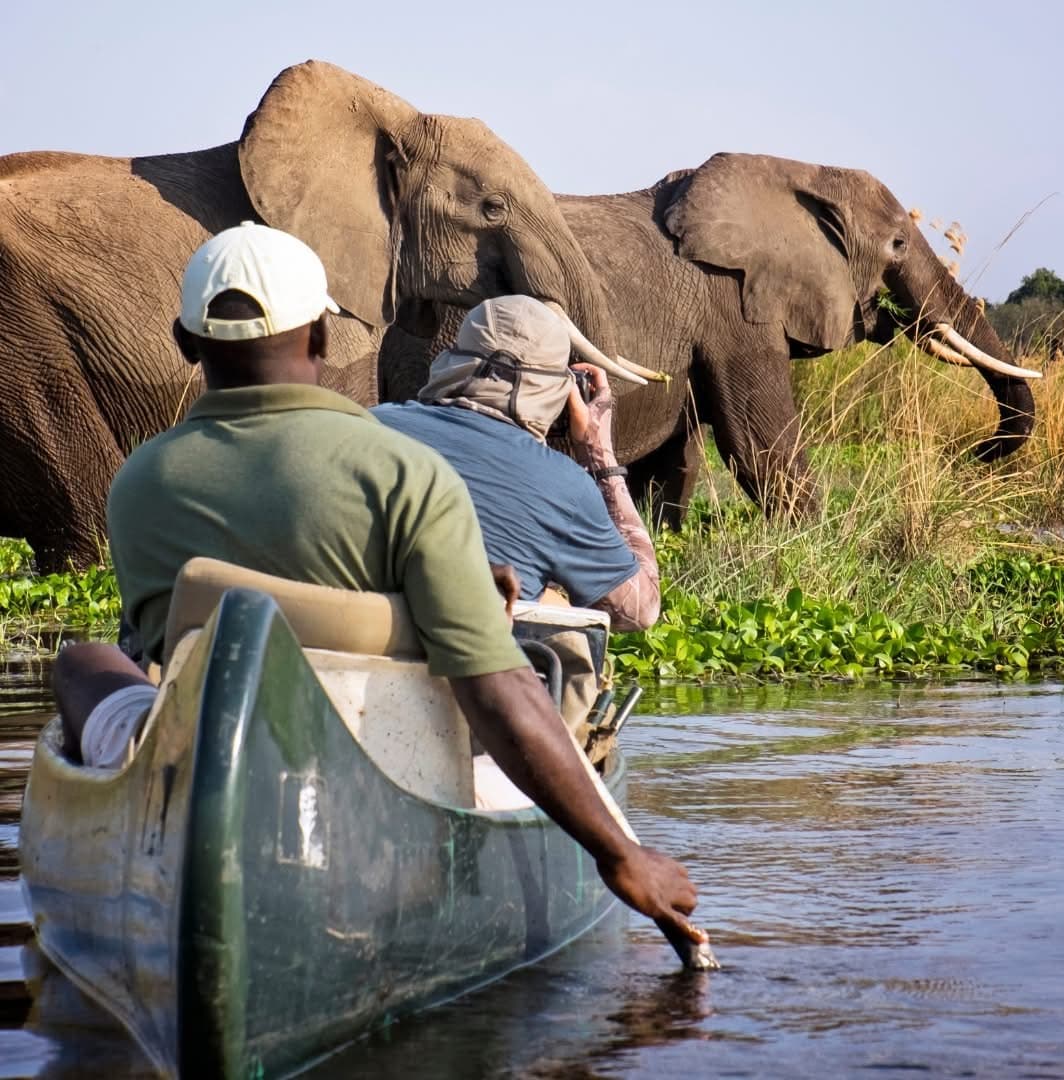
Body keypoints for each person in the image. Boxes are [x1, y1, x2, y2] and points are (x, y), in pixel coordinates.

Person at [53, 222, 701, 946]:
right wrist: (621, 852)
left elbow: (156, 645)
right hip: (377, 768)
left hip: (204, 768)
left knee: (83, 662)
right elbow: (496, 686)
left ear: (183, 341)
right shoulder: (401, 472)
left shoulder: (139, 482)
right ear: (324, 340)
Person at [372, 296, 660, 631]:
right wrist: (600, 456)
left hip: (356, 650)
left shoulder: (370, 425)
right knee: (559, 614)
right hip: (476, 674)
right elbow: (640, 611)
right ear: (560, 391)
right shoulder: (565, 485)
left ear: (452, 359)